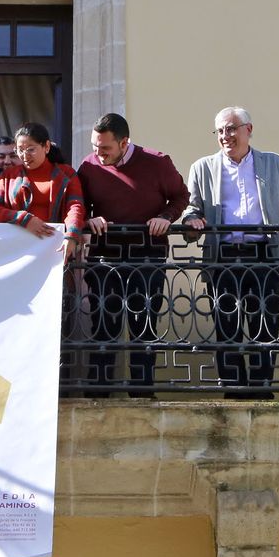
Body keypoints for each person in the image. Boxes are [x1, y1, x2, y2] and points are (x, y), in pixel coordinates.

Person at [181, 106, 279, 397]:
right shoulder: (202, 168)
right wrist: (191, 221)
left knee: (265, 322)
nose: (225, 136)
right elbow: (192, 208)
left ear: (248, 130)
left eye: (231, 129)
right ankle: (234, 390)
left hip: (263, 252)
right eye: (220, 131)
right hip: (223, 255)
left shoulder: (273, 163)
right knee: (226, 325)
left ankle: (261, 389)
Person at [77, 113, 190, 393]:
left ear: (124, 142)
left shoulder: (157, 162)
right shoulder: (89, 166)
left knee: (144, 324)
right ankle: (98, 393)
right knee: (104, 324)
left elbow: (181, 196)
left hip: (147, 253)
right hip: (105, 255)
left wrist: (166, 216)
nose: (99, 154)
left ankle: (142, 392)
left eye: (105, 148)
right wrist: (89, 219)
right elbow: (77, 205)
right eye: (95, 146)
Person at [0, 122, 87, 250]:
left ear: (46, 146)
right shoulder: (8, 176)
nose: (25, 155)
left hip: (56, 245)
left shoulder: (66, 174)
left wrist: (71, 236)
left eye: (31, 149)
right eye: (20, 150)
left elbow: (75, 206)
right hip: (14, 247)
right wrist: (24, 219)